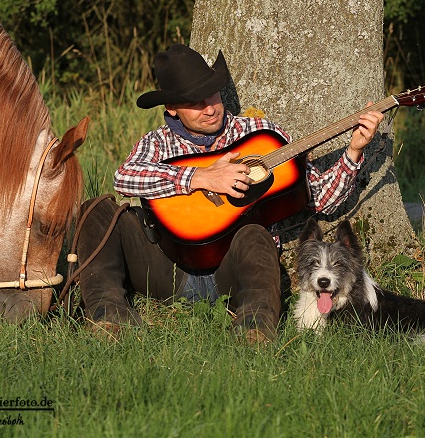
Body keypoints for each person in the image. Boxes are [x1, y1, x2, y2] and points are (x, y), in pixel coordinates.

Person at [77, 44, 383, 343]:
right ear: (171, 108)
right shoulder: (158, 143)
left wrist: (354, 151)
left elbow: (324, 201)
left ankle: (255, 329)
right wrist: (201, 177)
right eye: (194, 103)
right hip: (168, 269)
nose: (209, 108)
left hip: (234, 273)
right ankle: (110, 317)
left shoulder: (260, 136)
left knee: (254, 233)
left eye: (211, 94)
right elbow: (124, 177)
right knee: (97, 210)